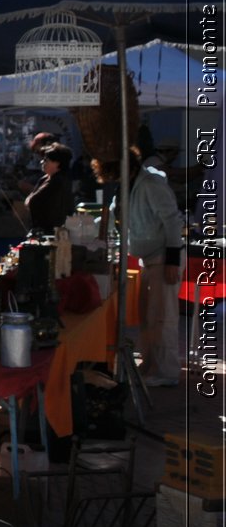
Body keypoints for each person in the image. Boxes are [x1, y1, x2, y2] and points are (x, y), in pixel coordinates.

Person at [97, 148, 185, 384]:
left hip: (164, 256)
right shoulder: (127, 186)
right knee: (149, 316)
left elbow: (172, 220)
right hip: (149, 257)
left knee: (163, 317)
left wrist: (173, 259)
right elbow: (115, 217)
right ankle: (150, 366)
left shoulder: (150, 183)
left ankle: (166, 372)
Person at [25, 142, 75, 232]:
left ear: (57, 163)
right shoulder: (45, 178)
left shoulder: (57, 181)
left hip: (50, 231)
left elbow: (32, 201)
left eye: (46, 160)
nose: (42, 162)